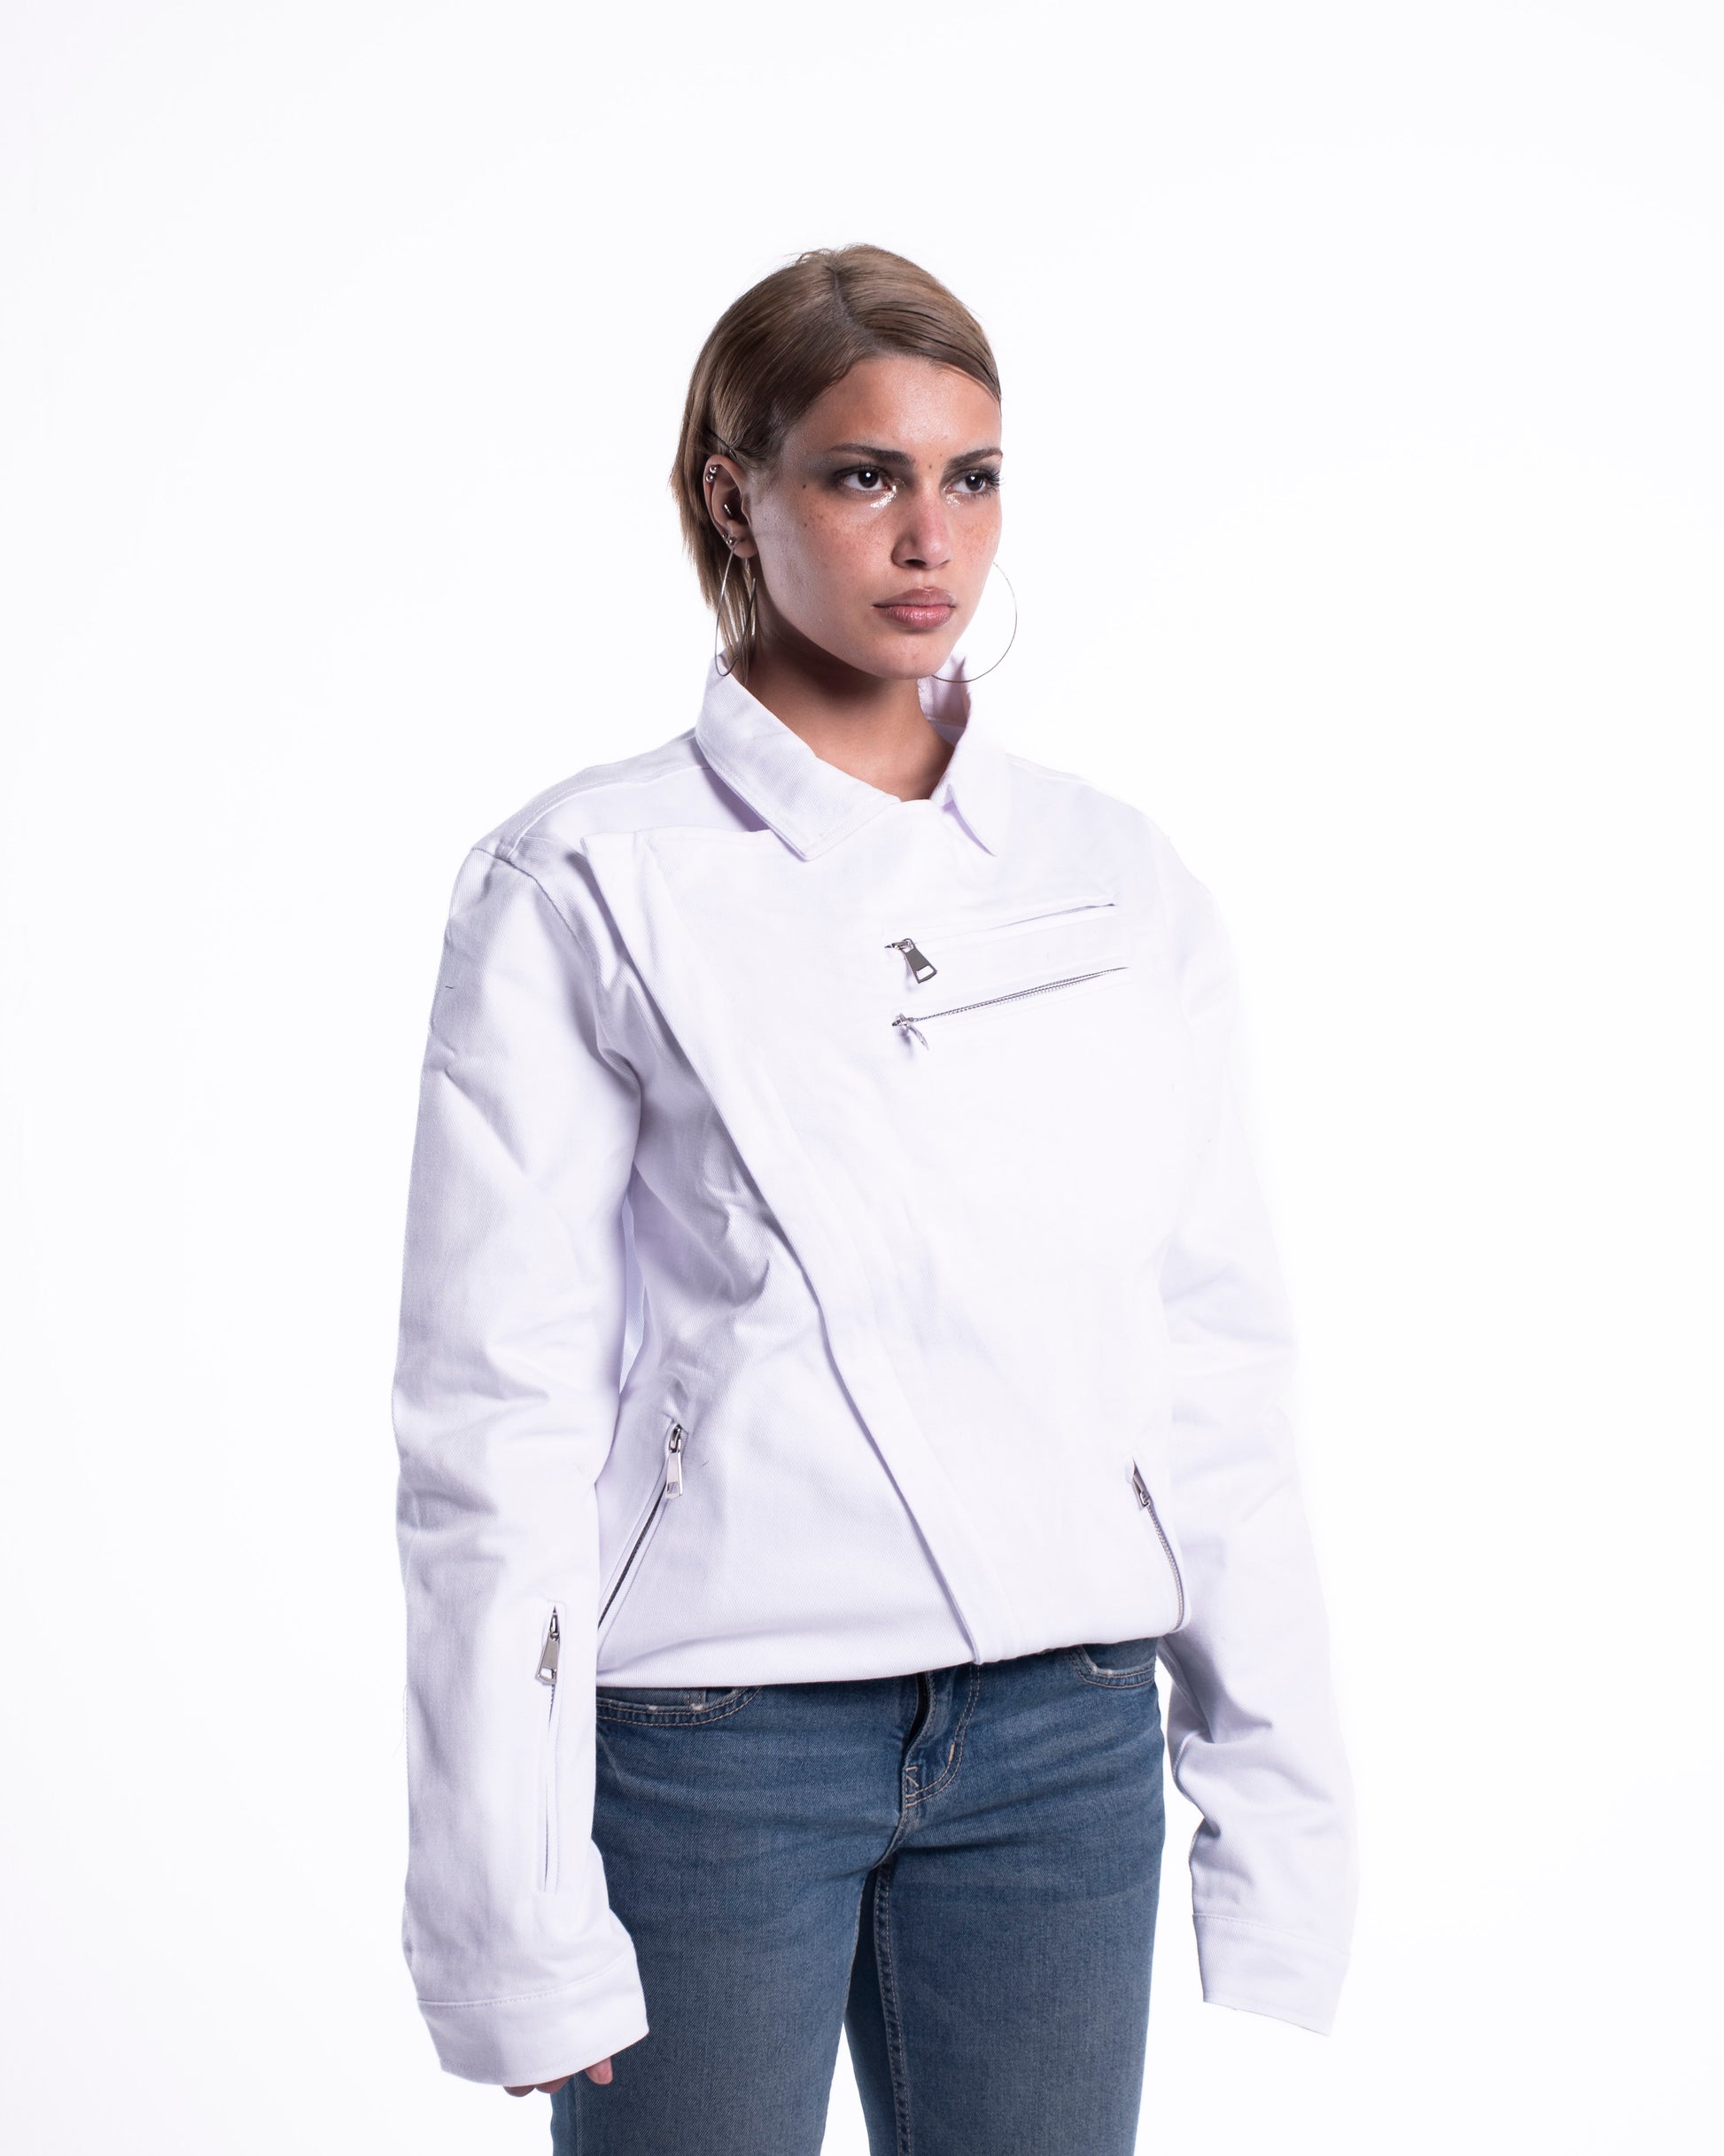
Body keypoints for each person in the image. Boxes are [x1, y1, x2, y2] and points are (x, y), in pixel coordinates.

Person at [391, 243, 1358, 2156]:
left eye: (971, 477)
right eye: (864, 474)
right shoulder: (583, 879)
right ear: (730, 494)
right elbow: (491, 1418)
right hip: (715, 1746)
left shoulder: (1112, 873)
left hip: (1064, 1734)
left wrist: (1282, 1816)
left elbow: (1210, 1358)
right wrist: (511, 1916)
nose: (931, 537)